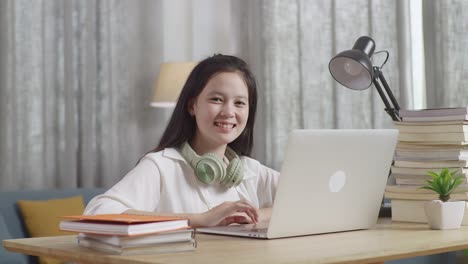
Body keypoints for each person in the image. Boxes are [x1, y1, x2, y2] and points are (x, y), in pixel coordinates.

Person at [84, 54, 279, 227]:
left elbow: (308, 199)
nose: (229, 112)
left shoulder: (250, 171)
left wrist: (256, 215)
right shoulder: (161, 165)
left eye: (239, 103)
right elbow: (99, 212)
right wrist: (198, 220)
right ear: (192, 106)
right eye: (217, 99)